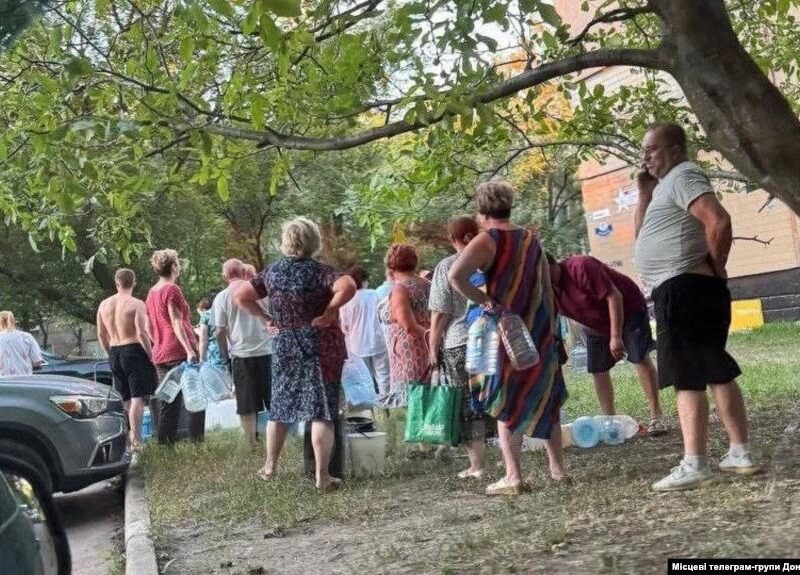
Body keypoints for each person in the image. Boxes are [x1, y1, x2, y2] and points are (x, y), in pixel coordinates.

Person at [634, 122, 759, 491]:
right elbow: (643, 236)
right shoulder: (664, 188)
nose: (645, 157)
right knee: (714, 366)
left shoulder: (684, 175)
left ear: (674, 148)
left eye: (651, 149)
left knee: (687, 374)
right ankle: (739, 452)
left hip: (684, 287)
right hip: (688, 286)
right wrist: (644, 192)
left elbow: (718, 220)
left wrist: (717, 266)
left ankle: (695, 462)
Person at [449, 180, 567, 496]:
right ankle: (558, 470)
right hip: (538, 328)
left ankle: (513, 476)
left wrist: (485, 300)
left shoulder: (487, 240)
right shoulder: (531, 239)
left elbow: (455, 276)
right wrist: (551, 326)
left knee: (506, 400)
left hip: (506, 329)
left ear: (481, 209)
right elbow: (545, 285)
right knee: (545, 395)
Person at [234, 218, 356, 491]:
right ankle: (322, 476)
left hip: (285, 344)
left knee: (279, 408)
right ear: (313, 241)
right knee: (322, 411)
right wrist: (330, 311)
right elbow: (347, 286)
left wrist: (265, 317)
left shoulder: (272, 273)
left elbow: (241, 295)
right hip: (319, 345)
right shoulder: (320, 272)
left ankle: (269, 467)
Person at [546, 253, 666, 435]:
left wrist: (616, 337)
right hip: (594, 323)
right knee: (598, 369)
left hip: (628, 309)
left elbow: (614, 296)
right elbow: (550, 318)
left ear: (550, 265)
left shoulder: (581, 266)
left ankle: (656, 417)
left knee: (639, 358)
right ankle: (609, 422)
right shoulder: (546, 289)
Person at [429, 216, 487, 479]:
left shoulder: (448, 265)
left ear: (460, 238)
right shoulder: (489, 260)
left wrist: (432, 347)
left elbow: (440, 312)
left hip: (459, 342)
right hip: (490, 338)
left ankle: (477, 464)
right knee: (492, 396)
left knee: (466, 403)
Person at [145, 249, 204, 444]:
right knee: (195, 398)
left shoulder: (151, 293)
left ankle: (165, 444)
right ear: (173, 266)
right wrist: (189, 349)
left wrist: (158, 341)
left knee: (168, 402)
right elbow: (176, 322)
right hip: (178, 351)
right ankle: (197, 442)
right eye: (178, 263)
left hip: (160, 353)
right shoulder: (172, 289)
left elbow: (148, 326)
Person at [96, 269, 157, 450]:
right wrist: (151, 354)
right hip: (133, 350)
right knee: (137, 397)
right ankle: (137, 440)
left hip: (114, 350)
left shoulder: (104, 305)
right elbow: (141, 332)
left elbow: (101, 334)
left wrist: (110, 352)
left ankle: (126, 442)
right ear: (134, 283)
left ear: (116, 283)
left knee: (125, 398)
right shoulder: (136, 304)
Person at [213, 259, 272, 447]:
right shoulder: (258, 292)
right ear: (243, 271)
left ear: (225, 275)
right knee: (273, 400)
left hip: (241, 354)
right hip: (267, 350)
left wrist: (225, 355)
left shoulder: (222, 297)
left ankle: (251, 442)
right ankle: (277, 438)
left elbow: (220, 331)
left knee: (247, 403)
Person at [378, 244, 431, 409]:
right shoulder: (428, 285)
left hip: (409, 356)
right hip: (429, 351)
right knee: (427, 401)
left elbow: (409, 326)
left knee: (411, 404)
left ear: (390, 265)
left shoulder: (401, 289)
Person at [339, 265, 390, 397]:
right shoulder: (374, 295)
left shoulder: (346, 299)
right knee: (383, 373)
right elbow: (384, 314)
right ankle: (386, 401)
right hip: (377, 340)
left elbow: (345, 327)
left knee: (365, 377)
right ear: (364, 281)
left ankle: (370, 404)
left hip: (357, 344)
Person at [0, 311, 43, 376]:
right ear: (13, 321)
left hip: (3, 383)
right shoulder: (26, 337)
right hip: (23, 381)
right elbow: (37, 361)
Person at [197, 293, 225, 367]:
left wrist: (201, 359)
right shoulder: (225, 311)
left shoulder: (206, 315)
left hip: (213, 352)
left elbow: (203, 340)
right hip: (229, 350)